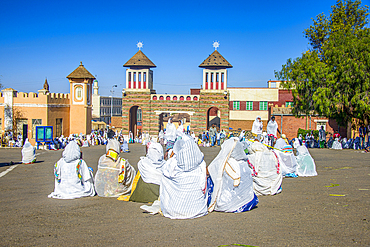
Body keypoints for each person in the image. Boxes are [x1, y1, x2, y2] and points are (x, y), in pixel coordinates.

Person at [148, 134, 208, 219]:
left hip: (174, 210)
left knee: (165, 179)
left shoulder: (173, 163)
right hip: (197, 209)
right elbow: (203, 185)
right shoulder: (201, 164)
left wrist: (171, 157)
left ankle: (170, 204)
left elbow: (165, 172)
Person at [207, 138, 258, 213]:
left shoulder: (225, 164)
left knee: (212, 177)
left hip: (228, 202)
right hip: (247, 200)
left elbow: (210, 170)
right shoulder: (244, 164)